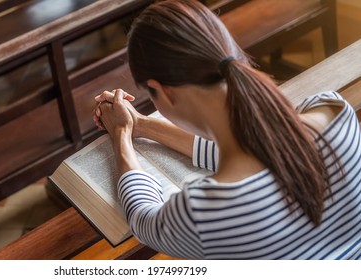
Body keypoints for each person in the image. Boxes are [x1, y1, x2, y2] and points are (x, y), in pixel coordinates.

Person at [92, 0, 361, 259]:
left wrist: (121, 136)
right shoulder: (334, 112)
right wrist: (141, 124)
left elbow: (143, 219)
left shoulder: (205, 211)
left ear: (162, 91)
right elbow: (251, 150)